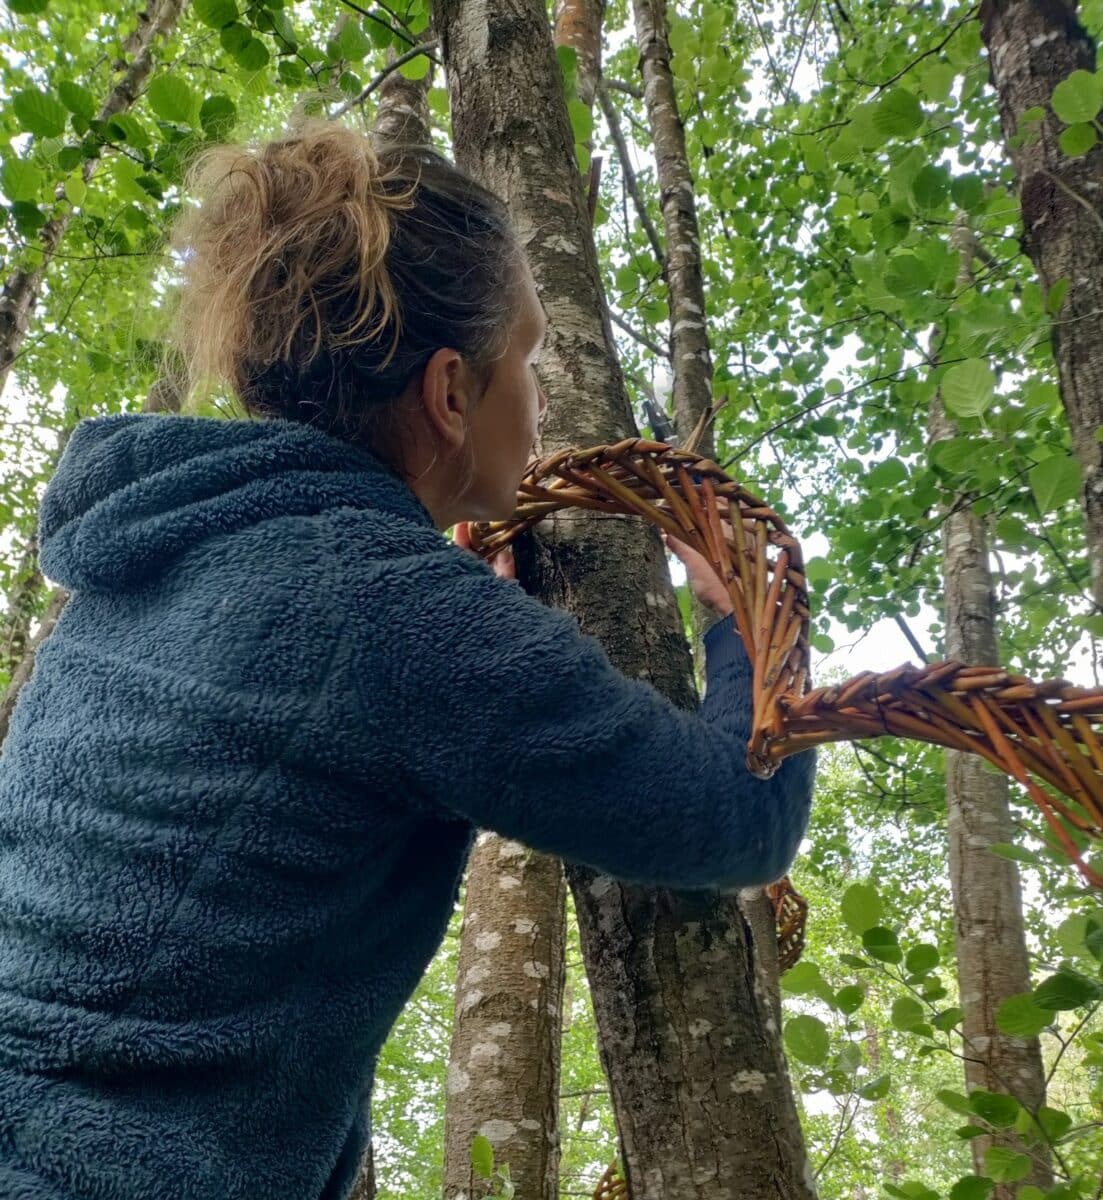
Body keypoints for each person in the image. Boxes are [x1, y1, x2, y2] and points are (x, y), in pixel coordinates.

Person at [0, 116, 816, 1200]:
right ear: (447, 392)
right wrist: (750, 620)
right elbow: (738, 815)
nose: (533, 394)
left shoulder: (151, 555)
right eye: (525, 355)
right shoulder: (390, 610)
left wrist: (464, 625)